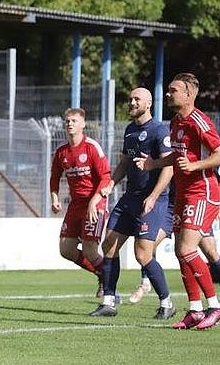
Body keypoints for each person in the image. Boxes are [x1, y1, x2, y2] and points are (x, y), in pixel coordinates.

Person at [135, 72, 220, 330]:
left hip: (202, 193)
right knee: (180, 252)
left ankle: (215, 307)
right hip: (182, 194)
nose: (168, 93)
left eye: (173, 90)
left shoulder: (199, 121)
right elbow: (177, 156)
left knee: (187, 250)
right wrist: (153, 163)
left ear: (188, 94)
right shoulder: (176, 122)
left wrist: (195, 165)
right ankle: (195, 310)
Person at [89, 88, 175, 319]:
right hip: (129, 198)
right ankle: (108, 302)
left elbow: (169, 167)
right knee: (109, 246)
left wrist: (154, 196)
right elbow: (125, 162)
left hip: (152, 200)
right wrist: (111, 183)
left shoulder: (159, 130)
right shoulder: (130, 130)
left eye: (137, 99)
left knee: (143, 255)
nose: (132, 102)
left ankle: (167, 303)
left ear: (148, 104)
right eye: (130, 99)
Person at [49, 108, 111, 295]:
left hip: (96, 203)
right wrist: (54, 198)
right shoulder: (61, 152)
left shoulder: (92, 147)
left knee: (90, 250)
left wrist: (94, 201)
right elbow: (54, 177)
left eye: (74, 120)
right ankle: (102, 273)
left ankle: (110, 290)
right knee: (66, 249)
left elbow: (106, 177)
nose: (70, 124)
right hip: (75, 205)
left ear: (83, 124)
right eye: (67, 121)